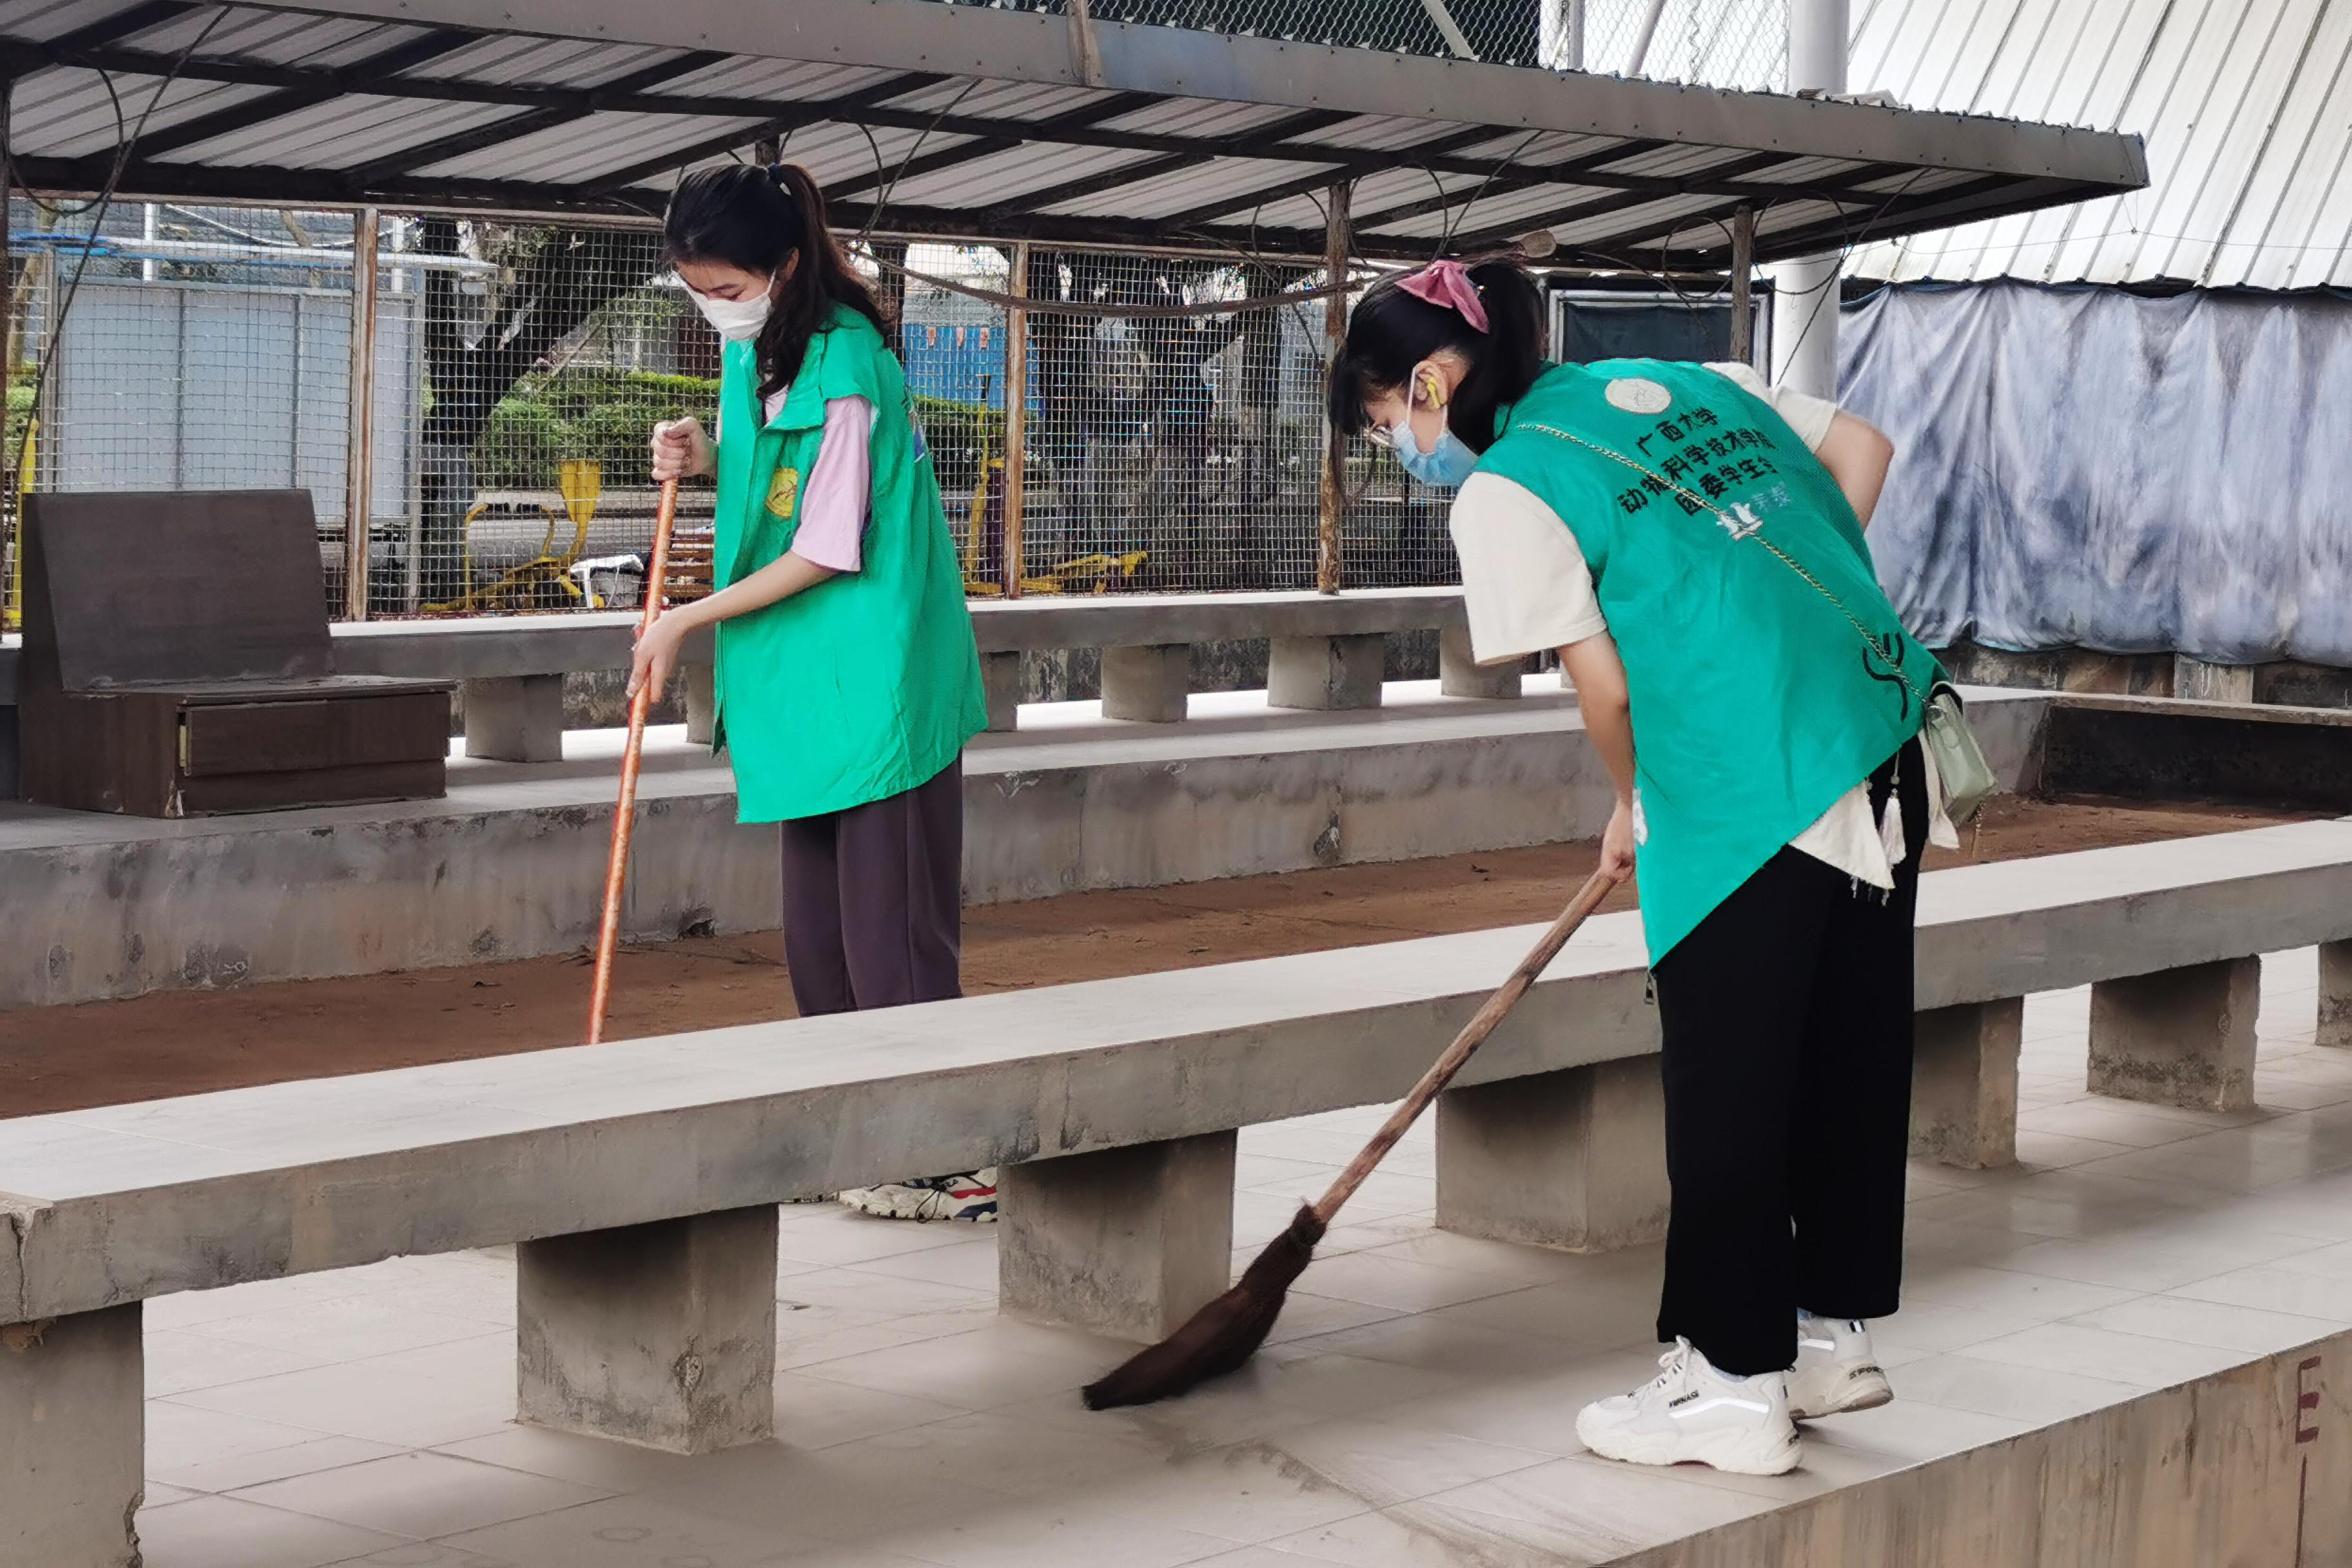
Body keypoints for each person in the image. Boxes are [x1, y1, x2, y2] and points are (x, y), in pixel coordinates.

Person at [1328, 258, 1955, 1476]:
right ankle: (1826, 1338)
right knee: (1846, 1049)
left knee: (1730, 1078)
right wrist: (1776, 633)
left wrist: (1635, 796)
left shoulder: (1508, 488)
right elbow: (1863, 452)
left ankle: (1728, 1383)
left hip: (1743, 785)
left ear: (1430, 382)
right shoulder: (1683, 378)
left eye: (1387, 418)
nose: (1400, 446)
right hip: (1880, 733)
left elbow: (1606, 688)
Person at [631, 164, 997, 1223]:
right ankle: (853, 1137)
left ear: (784, 265)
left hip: (876, 681)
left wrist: (684, 620)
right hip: (798, 687)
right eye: (696, 287)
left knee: (892, 934)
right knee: (819, 939)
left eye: (725, 286)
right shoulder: (757, 353)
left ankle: (944, 1153)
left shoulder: (848, 365)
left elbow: (829, 542)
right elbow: (774, 486)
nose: (714, 305)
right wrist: (701, 452)